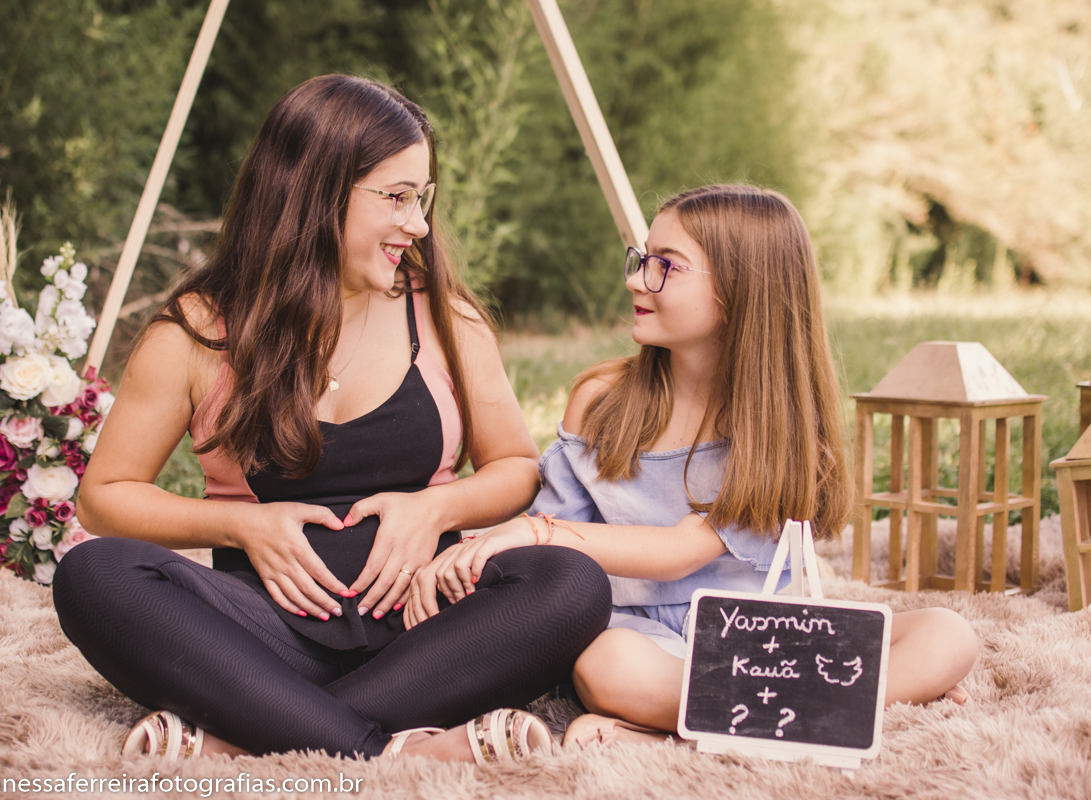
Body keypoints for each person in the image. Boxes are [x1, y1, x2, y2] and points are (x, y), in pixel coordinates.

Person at [53, 75, 611, 763]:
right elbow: (105, 497)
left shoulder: (444, 317)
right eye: (398, 198)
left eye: (423, 198)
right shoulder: (199, 330)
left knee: (571, 584)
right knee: (94, 576)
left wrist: (432, 513)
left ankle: (262, 728)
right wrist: (238, 524)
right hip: (263, 634)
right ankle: (392, 749)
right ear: (315, 192)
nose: (419, 223)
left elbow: (515, 468)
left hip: (426, 627)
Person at [407, 184, 979, 748]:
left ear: (739, 291)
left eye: (666, 266)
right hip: (634, 630)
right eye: (641, 260)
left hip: (757, 635)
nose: (636, 279)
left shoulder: (772, 425)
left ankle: (679, 725)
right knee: (608, 669)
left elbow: (681, 552)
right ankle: (826, 707)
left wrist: (536, 530)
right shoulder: (602, 399)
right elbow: (554, 547)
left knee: (948, 633)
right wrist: (499, 545)